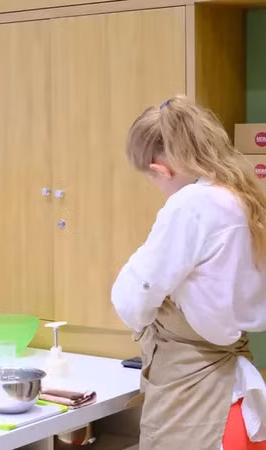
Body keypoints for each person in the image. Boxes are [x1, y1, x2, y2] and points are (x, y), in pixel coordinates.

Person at [111, 96, 266, 450]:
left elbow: (131, 298)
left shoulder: (192, 205)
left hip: (195, 402)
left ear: (161, 169)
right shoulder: (245, 197)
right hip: (235, 399)